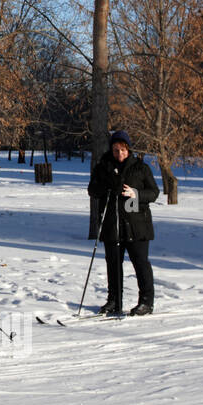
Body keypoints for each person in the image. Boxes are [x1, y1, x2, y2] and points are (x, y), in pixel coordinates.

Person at [86, 130, 159, 316]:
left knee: (141, 264)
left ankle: (146, 302)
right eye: (116, 150)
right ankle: (114, 301)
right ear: (111, 150)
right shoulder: (103, 167)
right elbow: (92, 190)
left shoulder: (140, 168)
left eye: (123, 150)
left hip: (137, 225)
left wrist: (137, 194)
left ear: (129, 149)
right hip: (112, 224)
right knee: (113, 264)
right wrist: (106, 185)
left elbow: (154, 192)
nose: (120, 154)